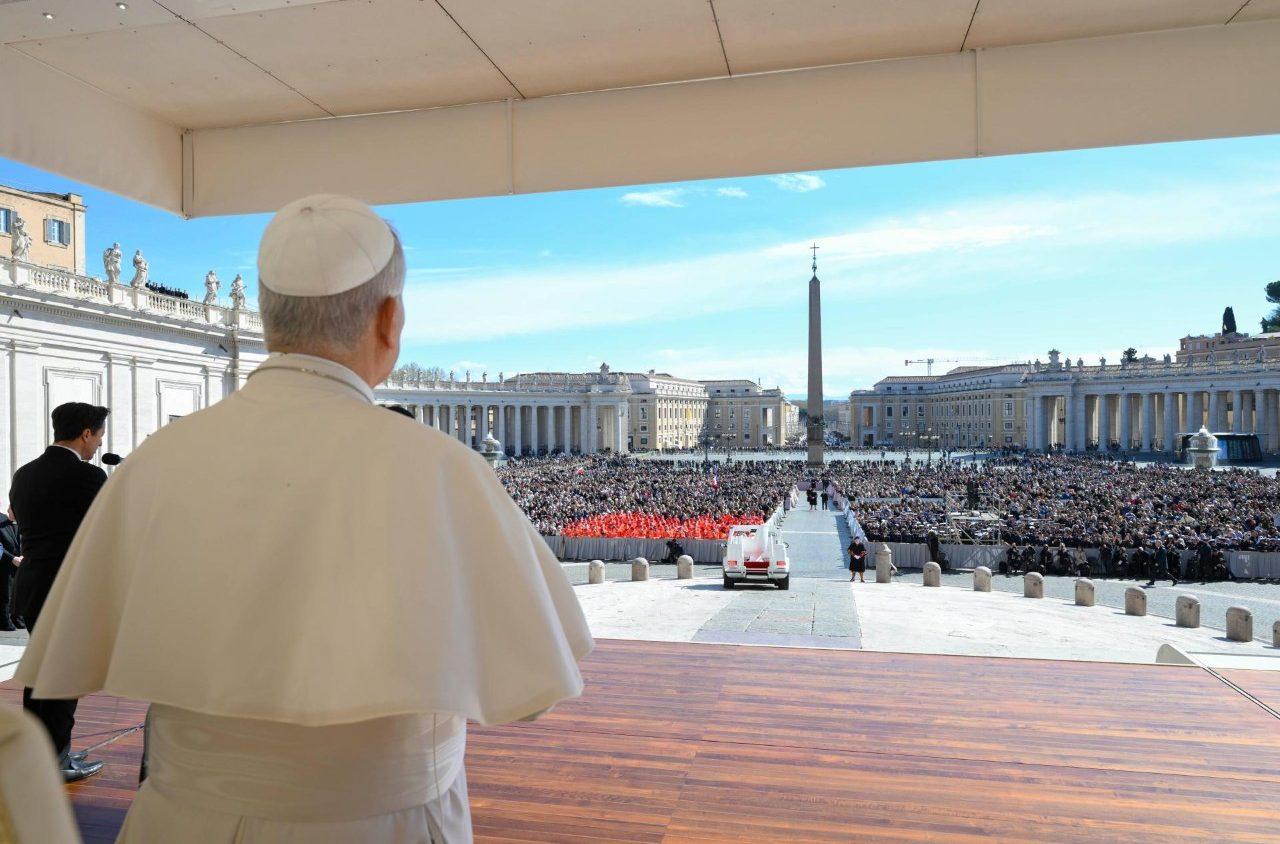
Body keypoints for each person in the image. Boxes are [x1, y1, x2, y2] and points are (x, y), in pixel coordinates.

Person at [15, 195, 592, 842]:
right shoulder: (440, 467)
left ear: (267, 320)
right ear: (389, 319)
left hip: (178, 820)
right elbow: (533, 690)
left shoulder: (158, 459)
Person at [9, 402, 110, 783]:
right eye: (99, 435)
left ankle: (40, 752)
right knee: (62, 676)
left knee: (41, 674)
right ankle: (55, 760)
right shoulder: (87, 477)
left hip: (33, 585)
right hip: (67, 588)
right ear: (86, 432)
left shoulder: (25, 474)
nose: (99, 443)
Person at [0, 506, 22, 630]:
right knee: (6, 594)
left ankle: (17, 618)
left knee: (18, 592)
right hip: (4, 564)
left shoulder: (21, 522)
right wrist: (12, 559)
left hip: (20, 563)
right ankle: (5, 621)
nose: (8, 511)